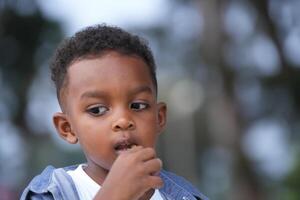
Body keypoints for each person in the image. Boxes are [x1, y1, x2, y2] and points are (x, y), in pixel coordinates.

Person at [21, 24, 209, 200]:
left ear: (158, 118)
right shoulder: (53, 192)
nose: (123, 120)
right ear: (67, 128)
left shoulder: (187, 195)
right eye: (98, 110)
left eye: (138, 106)